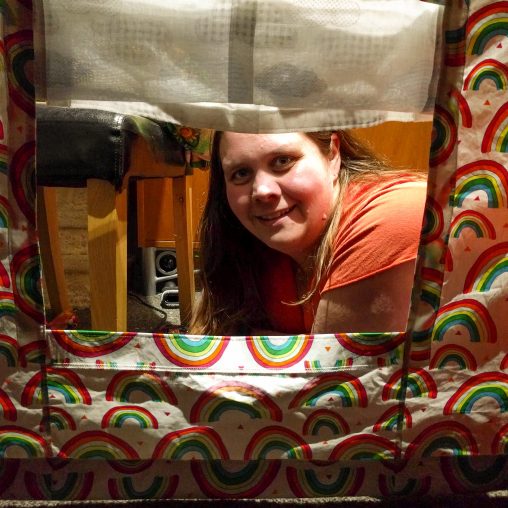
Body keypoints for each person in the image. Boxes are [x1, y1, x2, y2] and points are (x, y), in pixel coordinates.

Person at [190, 129, 427, 335]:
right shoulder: (252, 246)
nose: (262, 191)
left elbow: (330, 368)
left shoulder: (394, 215)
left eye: (283, 161)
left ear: (333, 154)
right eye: (241, 173)